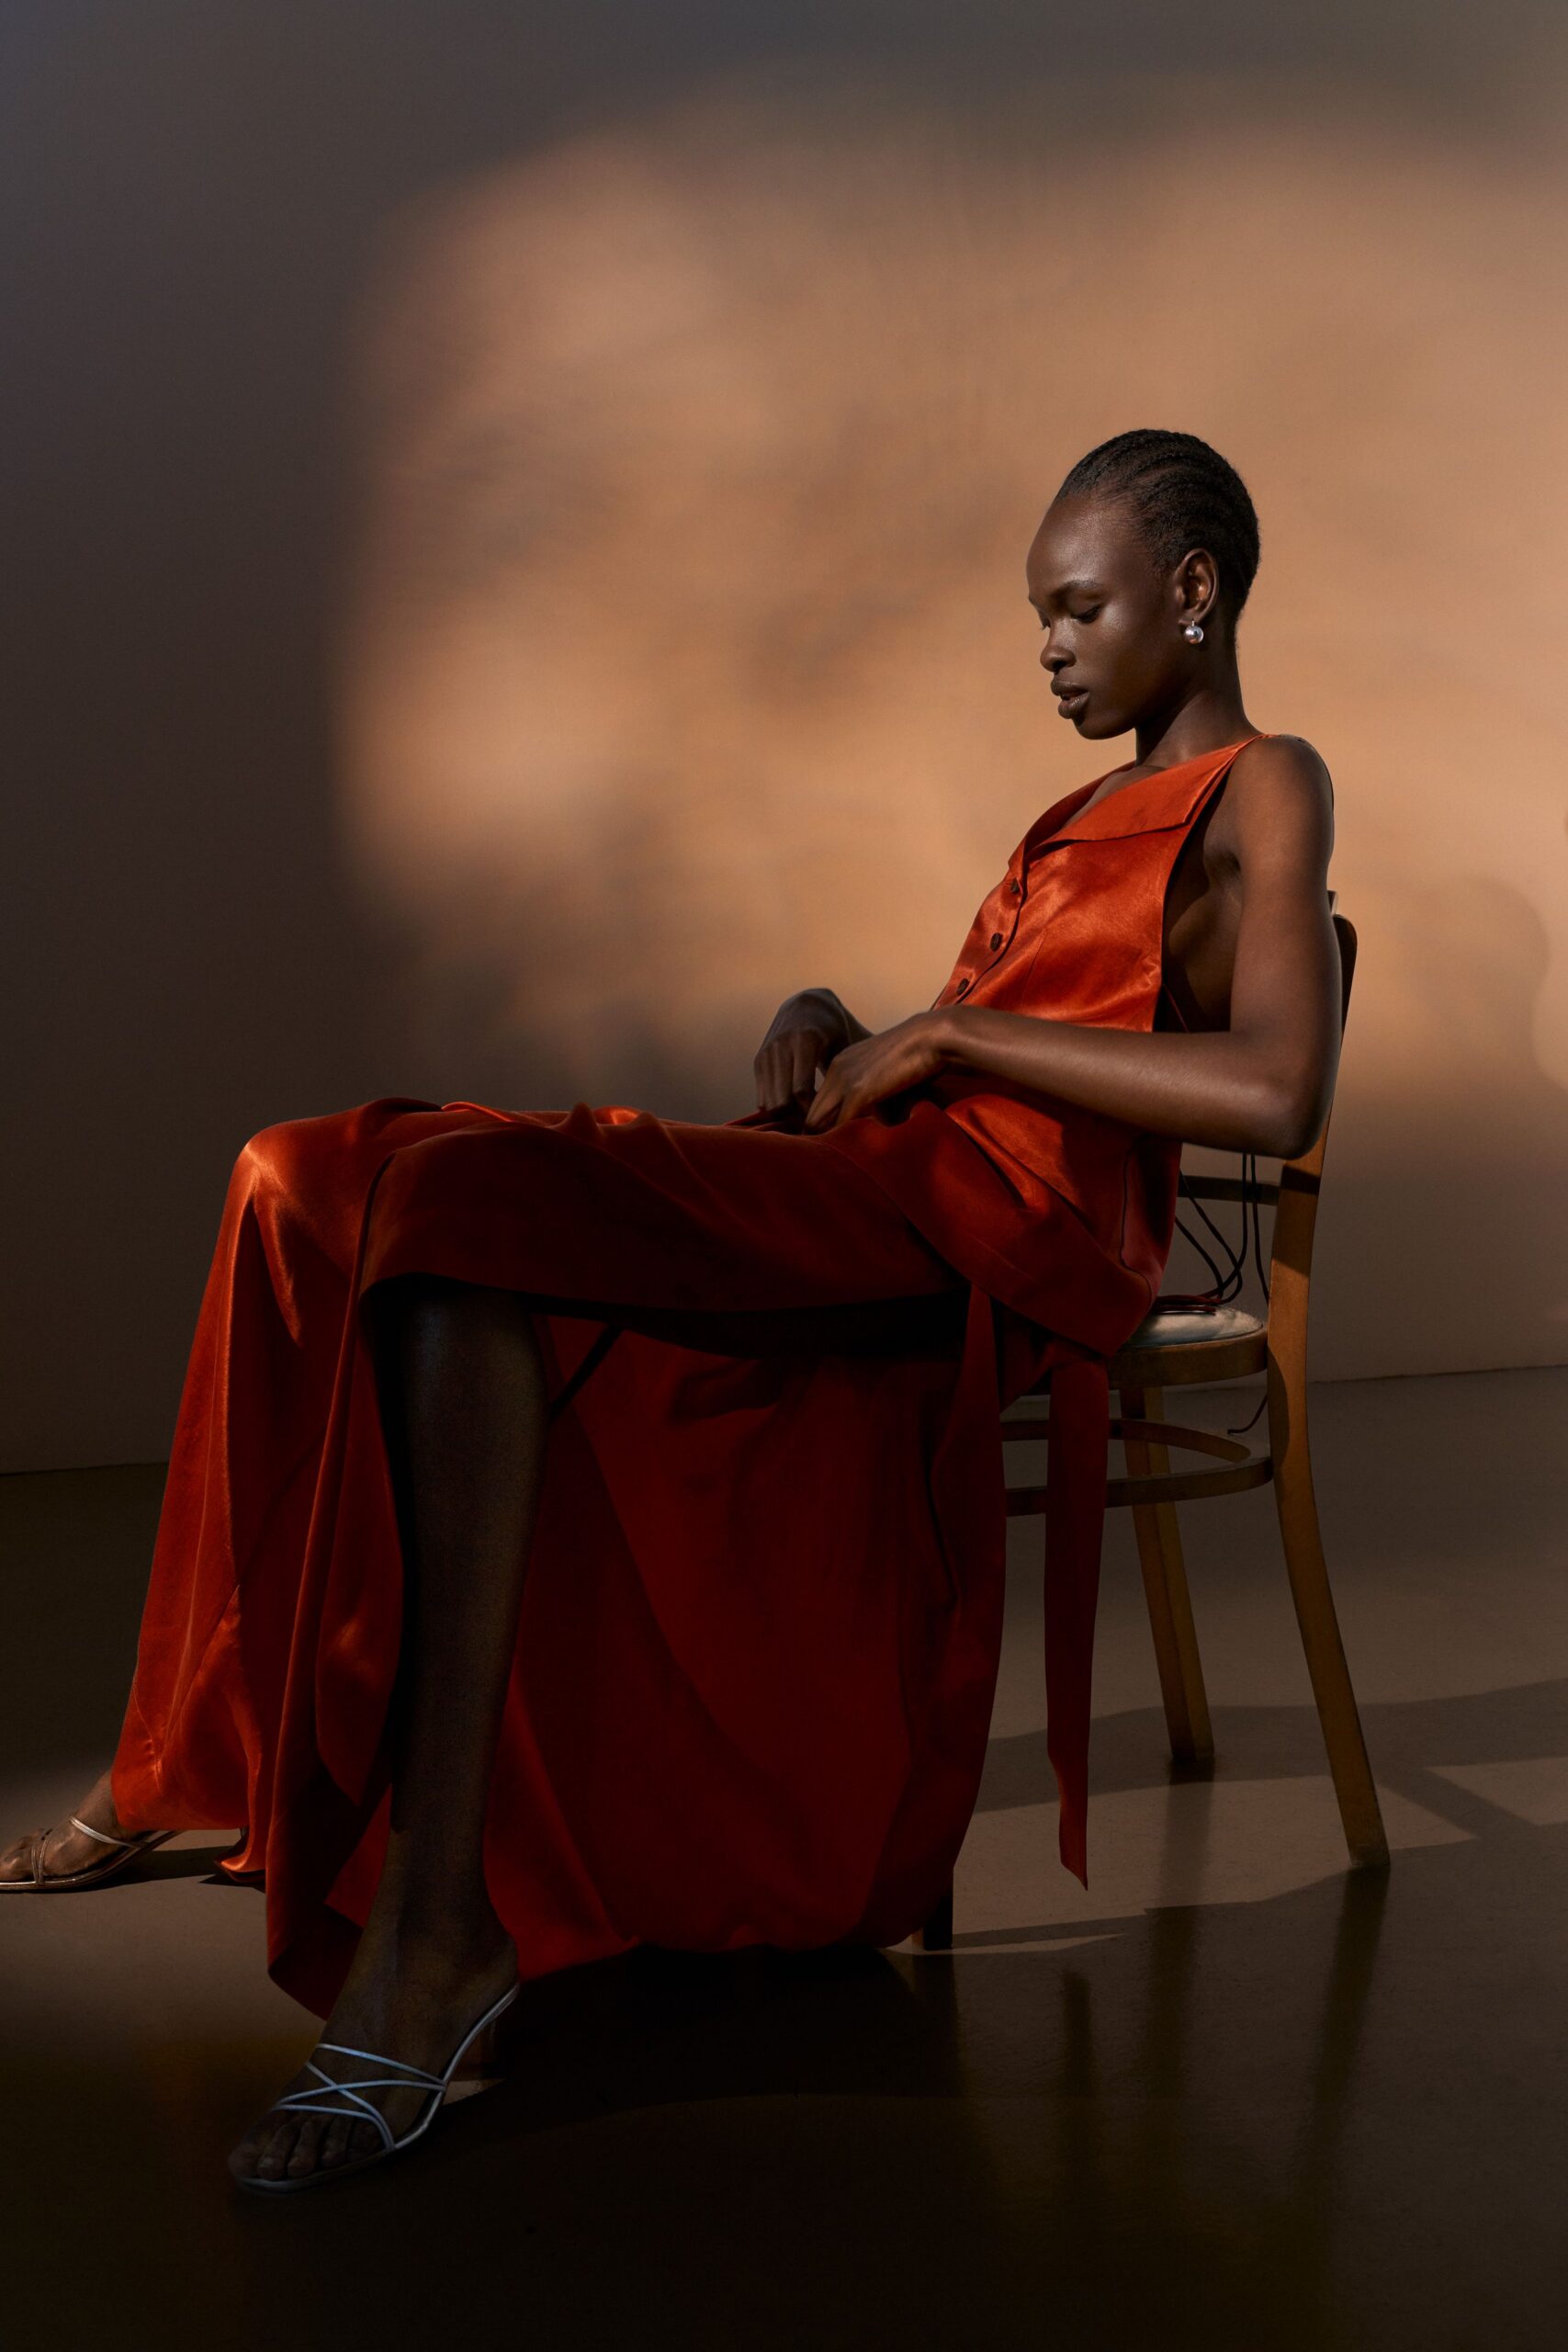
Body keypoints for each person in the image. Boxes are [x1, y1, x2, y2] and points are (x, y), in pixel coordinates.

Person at [2, 429, 1342, 2193]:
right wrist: (837, 1018)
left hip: (983, 1243)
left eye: (1078, 609)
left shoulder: (1269, 781)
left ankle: (433, 1937)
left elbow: (1276, 1090)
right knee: (308, 1172)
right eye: (1040, 614)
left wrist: (942, 1035)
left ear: (1196, 590)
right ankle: (207, 1738)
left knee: (454, 1209)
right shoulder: (1072, 815)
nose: (1048, 646)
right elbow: (1005, 1039)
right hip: (881, 1185)